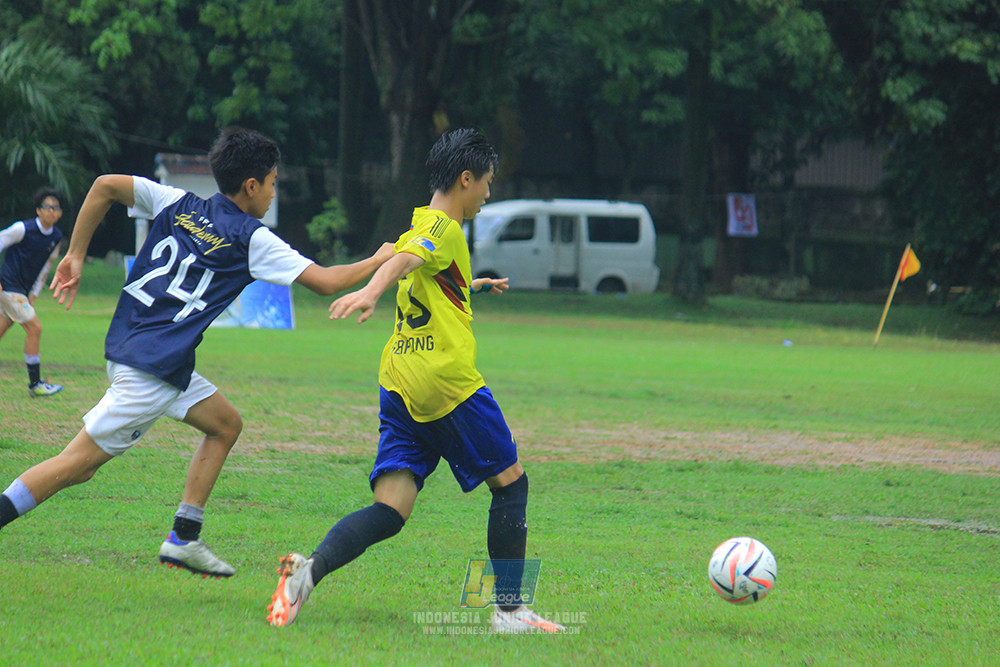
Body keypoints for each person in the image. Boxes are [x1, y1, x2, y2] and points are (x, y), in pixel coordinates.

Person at [0, 127, 394, 579]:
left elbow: (105, 185)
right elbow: (328, 281)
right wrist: (379, 258)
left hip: (142, 350)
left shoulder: (178, 202)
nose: (272, 191)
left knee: (225, 424)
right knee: (76, 466)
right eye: (272, 182)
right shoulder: (252, 238)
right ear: (251, 186)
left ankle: (184, 538)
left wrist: (75, 253)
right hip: (151, 370)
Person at [267, 128, 564, 633]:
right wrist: (371, 292)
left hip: (399, 382)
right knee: (512, 486)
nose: (488, 194)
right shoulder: (444, 229)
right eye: (486, 183)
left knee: (391, 508)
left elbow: (416, 267)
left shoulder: (419, 222)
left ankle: (308, 573)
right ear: (465, 179)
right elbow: (402, 263)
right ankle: (510, 612)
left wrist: (469, 286)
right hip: (445, 383)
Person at [0, 187, 67, 397]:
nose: (51, 211)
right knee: (35, 328)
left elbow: (45, 267)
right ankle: (35, 384)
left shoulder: (56, 237)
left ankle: (35, 383)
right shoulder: (23, 229)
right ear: (38, 210)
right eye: (47, 207)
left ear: (60, 213)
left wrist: (35, 293)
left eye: (55, 208)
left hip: (22, 291)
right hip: (9, 287)